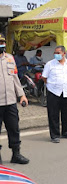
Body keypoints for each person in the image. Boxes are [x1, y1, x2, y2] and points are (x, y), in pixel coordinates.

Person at [0, 33, 29, 164]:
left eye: (3, 42)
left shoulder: (10, 58)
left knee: (14, 128)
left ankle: (16, 154)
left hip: (10, 101)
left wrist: (21, 95)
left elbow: (15, 79)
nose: (2, 45)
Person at [42, 46, 67, 143]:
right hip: (54, 92)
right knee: (53, 114)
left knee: (66, 113)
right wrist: (51, 85)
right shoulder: (50, 64)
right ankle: (54, 135)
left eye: (58, 52)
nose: (56, 54)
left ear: (64, 53)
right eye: (55, 52)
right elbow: (44, 77)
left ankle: (65, 132)